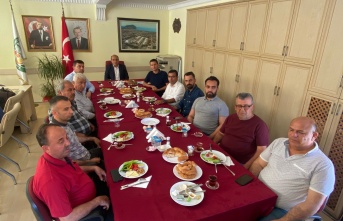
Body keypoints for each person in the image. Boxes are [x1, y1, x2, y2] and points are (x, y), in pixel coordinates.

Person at [250, 117, 335, 221]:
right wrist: (250, 185)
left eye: (300, 132)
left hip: (283, 211)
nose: (293, 135)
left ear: (314, 135)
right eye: (291, 130)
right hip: (258, 196)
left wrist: (283, 220)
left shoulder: (323, 165)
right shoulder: (278, 143)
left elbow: (311, 204)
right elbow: (259, 164)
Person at [34, 123, 112, 220]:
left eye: (66, 138)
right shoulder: (50, 181)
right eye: (61, 141)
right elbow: (67, 218)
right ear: (46, 148)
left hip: (90, 192)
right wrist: (97, 201)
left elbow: (70, 172)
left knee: (116, 175)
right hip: (91, 213)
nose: (68, 143)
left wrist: (93, 168)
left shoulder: (58, 156)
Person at [213, 93, 269, 169]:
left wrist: (246, 166)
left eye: (246, 106)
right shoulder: (231, 118)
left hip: (239, 163)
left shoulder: (260, 125)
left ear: (252, 107)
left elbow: (261, 150)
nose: (242, 109)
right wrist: (212, 147)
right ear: (235, 107)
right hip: (221, 155)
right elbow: (220, 134)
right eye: (239, 106)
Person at [49, 96, 102, 166]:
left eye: (70, 107)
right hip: (83, 163)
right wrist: (89, 162)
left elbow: (75, 138)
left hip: (85, 154)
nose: (71, 112)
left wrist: (92, 138)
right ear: (55, 113)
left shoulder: (64, 122)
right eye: (66, 109)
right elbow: (66, 162)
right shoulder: (55, 133)